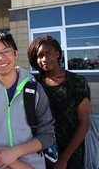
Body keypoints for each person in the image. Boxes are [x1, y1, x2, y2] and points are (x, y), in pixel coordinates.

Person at [0, 31, 55, 168]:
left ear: (15, 53)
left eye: (6, 51)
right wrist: (15, 162)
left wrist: (15, 152)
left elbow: (47, 134)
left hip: (32, 164)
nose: (1, 58)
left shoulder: (33, 88)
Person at [27, 35, 90, 169]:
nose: (44, 59)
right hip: (40, 153)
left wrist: (64, 159)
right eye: (39, 56)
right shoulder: (33, 84)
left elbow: (84, 122)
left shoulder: (77, 82)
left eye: (48, 53)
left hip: (71, 154)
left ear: (57, 53)